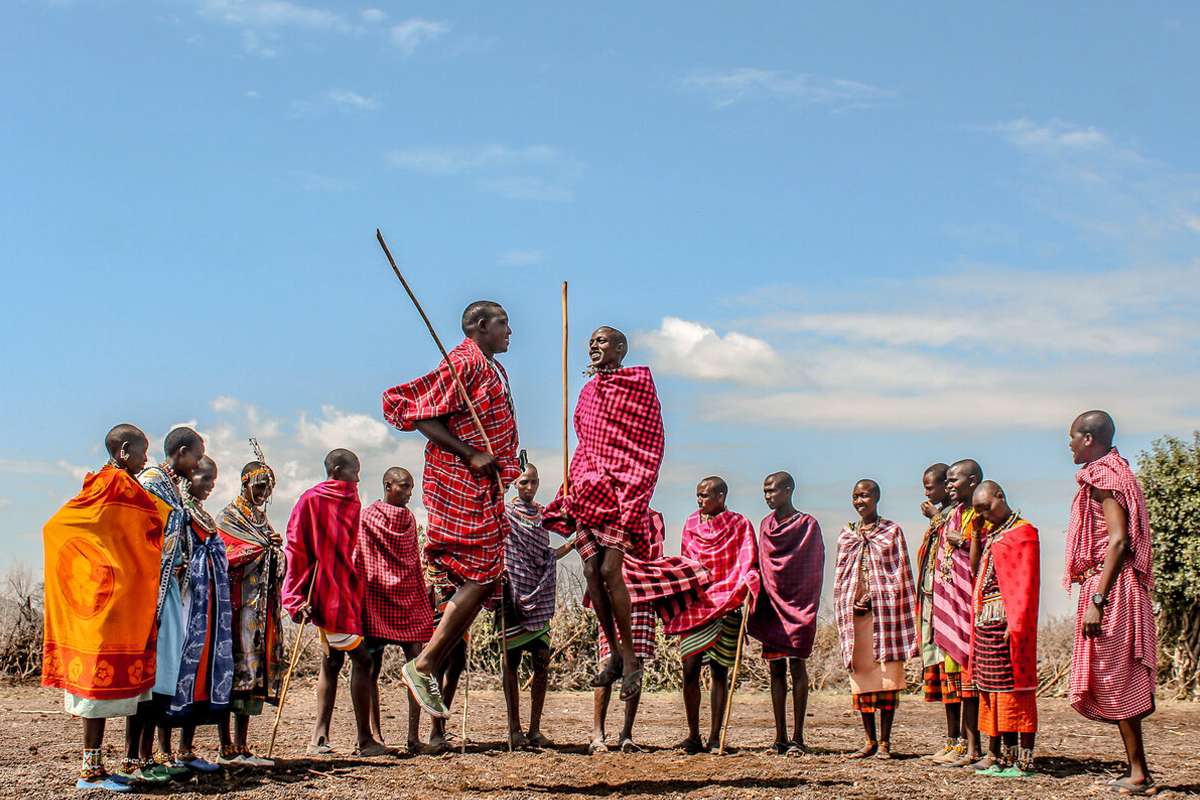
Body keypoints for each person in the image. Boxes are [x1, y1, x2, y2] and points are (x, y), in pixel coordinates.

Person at [543, 326, 708, 705]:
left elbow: (649, 444)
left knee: (608, 570)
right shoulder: (586, 391)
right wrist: (576, 476)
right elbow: (587, 437)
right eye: (591, 341)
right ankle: (614, 652)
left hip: (621, 491)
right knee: (589, 571)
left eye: (602, 341)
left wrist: (635, 490)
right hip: (589, 486)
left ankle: (631, 656)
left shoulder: (637, 388)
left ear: (620, 348)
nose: (593, 345)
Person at [381, 301, 520, 722]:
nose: (510, 331)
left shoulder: (490, 366)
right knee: (481, 572)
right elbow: (414, 409)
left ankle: (427, 665)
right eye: (503, 323)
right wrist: (471, 452)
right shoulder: (463, 362)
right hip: (458, 479)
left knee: (486, 571)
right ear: (480, 326)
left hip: (483, 486)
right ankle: (422, 664)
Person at [41, 425, 163, 792]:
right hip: (107, 601)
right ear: (125, 451)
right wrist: (99, 570)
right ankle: (90, 770)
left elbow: (64, 527)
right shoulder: (117, 487)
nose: (146, 460)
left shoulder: (98, 485)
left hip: (107, 601)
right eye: (142, 452)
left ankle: (98, 766)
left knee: (99, 686)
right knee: (94, 685)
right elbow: (150, 529)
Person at [1066, 410, 1157, 795]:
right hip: (1112, 585)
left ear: (1088, 439)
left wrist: (1098, 600)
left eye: (1071, 437)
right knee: (1117, 678)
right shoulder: (1114, 472)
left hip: (1112, 588)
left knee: (1117, 678)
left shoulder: (1104, 476)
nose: (1068, 445)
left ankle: (1139, 773)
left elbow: (1118, 541)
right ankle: (1138, 769)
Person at [282, 449, 387, 756]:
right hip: (326, 594)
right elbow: (296, 547)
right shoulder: (312, 500)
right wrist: (295, 596)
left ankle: (320, 738)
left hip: (346, 591)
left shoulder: (350, 501)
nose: (357, 478)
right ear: (338, 470)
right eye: (355, 471)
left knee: (332, 662)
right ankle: (364, 739)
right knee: (363, 660)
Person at [663, 477, 759, 754]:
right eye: (697, 495)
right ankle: (693, 735)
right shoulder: (692, 524)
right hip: (698, 603)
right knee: (689, 668)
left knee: (720, 670)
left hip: (727, 602)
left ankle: (716, 736)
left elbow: (747, 561)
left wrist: (748, 581)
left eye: (705, 495)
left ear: (721, 495)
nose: (700, 500)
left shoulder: (740, 525)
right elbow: (687, 563)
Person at [137, 427, 211, 779]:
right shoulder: (152, 482)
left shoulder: (171, 488)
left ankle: (149, 757)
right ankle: (139, 758)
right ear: (181, 452)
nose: (197, 463)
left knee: (163, 674)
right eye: (196, 455)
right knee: (153, 675)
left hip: (170, 589)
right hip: (153, 590)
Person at [833, 479, 916, 760]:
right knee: (862, 679)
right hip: (856, 619)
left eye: (865, 495)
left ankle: (885, 742)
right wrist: (851, 601)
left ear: (877, 497)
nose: (859, 501)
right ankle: (869, 741)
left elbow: (900, 574)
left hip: (885, 616)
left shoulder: (891, 532)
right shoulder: (847, 534)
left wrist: (875, 595)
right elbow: (841, 577)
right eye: (855, 496)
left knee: (887, 679)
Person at [355, 467, 435, 753]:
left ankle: (414, 737)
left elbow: (412, 560)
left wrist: (422, 592)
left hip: (406, 600)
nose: (410, 492)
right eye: (404, 486)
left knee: (417, 664)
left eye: (411, 487)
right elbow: (361, 557)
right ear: (388, 485)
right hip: (376, 599)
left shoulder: (409, 519)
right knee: (370, 667)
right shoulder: (367, 517)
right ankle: (374, 736)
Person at [747, 471, 824, 757]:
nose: (768, 496)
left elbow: (814, 569)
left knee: (797, 668)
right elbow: (760, 564)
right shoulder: (765, 525)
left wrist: (807, 606)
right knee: (775, 670)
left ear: (789, 490)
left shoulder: (808, 525)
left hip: (800, 606)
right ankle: (779, 737)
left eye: (772, 490)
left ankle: (798, 738)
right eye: (765, 491)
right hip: (773, 607)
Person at [968, 481, 1040, 778]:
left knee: (1013, 690)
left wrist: (1017, 621)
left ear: (1001, 497)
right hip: (987, 619)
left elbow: (1027, 580)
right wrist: (974, 533)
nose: (984, 514)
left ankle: (1022, 758)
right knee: (990, 688)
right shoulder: (992, 534)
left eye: (986, 507)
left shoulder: (1023, 533)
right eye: (979, 511)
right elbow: (974, 569)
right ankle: (996, 754)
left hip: (1010, 622)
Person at [498, 464, 573, 750]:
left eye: (534, 482)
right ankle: (514, 729)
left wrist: (572, 541)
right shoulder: (504, 513)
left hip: (537, 592)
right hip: (511, 591)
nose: (529, 488)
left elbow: (547, 555)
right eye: (524, 482)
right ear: (515, 484)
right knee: (511, 662)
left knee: (542, 660)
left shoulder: (544, 514)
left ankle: (535, 729)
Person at [166, 456, 233, 773]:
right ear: (189, 475)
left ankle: (185, 749)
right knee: (175, 671)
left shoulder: (203, 516)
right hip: (183, 604)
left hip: (208, 609)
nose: (210, 486)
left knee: (201, 672)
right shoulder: (179, 513)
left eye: (213, 481)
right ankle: (164, 752)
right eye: (205, 478)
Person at [216, 459, 284, 767]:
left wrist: (274, 549)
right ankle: (225, 746)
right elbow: (222, 555)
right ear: (245, 483)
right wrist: (257, 549)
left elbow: (275, 561)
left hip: (258, 612)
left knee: (252, 676)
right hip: (235, 608)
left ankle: (242, 745)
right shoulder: (228, 517)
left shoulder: (261, 520)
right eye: (259, 486)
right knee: (230, 674)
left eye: (268, 488)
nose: (263, 492)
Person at [589, 509, 668, 756]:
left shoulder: (654, 518)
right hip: (613, 591)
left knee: (635, 664)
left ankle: (626, 734)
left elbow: (653, 554)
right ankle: (597, 734)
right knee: (607, 661)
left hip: (642, 593)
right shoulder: (607, 513)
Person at [931, 458, 986, 767]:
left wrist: (965, 541)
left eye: (954, 480)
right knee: (957, 683)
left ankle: (974, 747)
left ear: (973, 480)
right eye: (948, 480)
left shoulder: (982, 514)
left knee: (973, 683)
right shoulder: (955, 516)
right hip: (952, 608)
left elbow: (991, 548)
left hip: (972, 609)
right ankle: (964, 744)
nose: (949, 485)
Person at [912, 463, 963, 762]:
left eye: (931, 486)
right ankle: (951, 738)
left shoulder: (955, 516)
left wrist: (936, 519)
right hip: (933, 601)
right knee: (945, 673)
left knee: (957, 674)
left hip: (952, 604)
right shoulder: (943, 516)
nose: (926, 492)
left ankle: (963, 742)